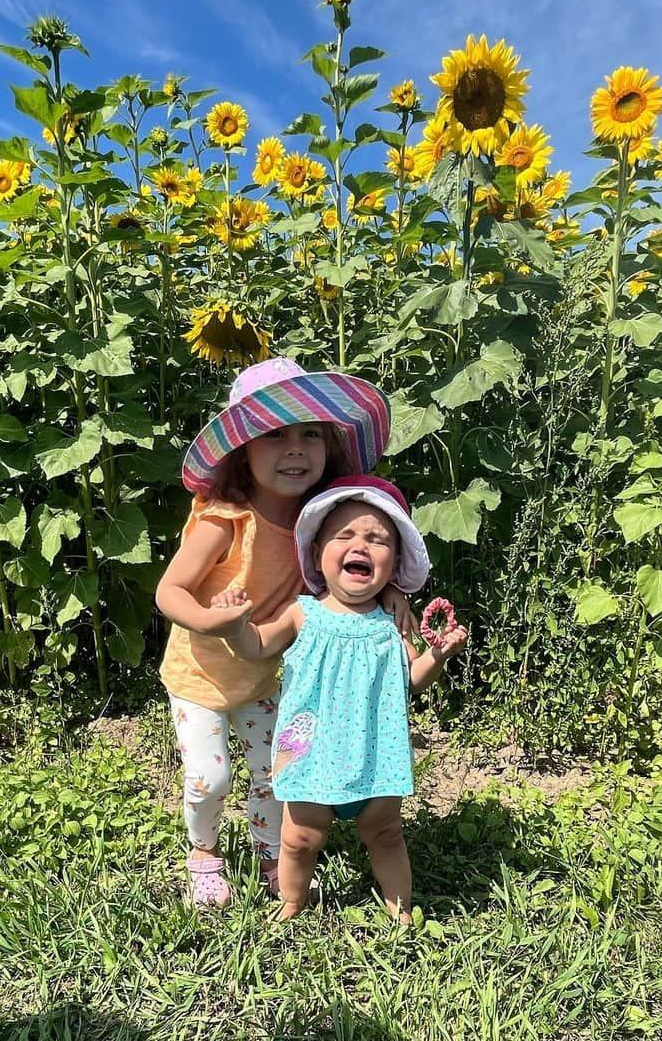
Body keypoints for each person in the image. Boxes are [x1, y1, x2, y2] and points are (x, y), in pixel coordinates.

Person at [155, 358, 412, 907]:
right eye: (274, 435)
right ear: (242, 450)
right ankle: (203, 852)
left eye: (310, 435)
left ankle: (273, 851)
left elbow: (347, 572)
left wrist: (389, 592)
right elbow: (169, 591)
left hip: (270, 673)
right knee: (209, 776)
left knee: (278, 772)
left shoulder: (319, 518)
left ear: (329, 447)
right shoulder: (225, 518)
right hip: (201, 672)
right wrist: (211, 620)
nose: (295, 449)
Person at [209, 475, 468, 924]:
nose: (360, 546)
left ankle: (402, 911)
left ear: (393, 564)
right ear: (316, 553)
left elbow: (415, 678)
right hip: (309, 753)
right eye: (344, 535)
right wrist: (234, 625)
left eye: (377, 540)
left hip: (376, 753)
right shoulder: (302, 613)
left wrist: (438, 654)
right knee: (299, 839)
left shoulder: (392, 620)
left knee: (386, 834)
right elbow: (256, 646)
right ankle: (292, 900)